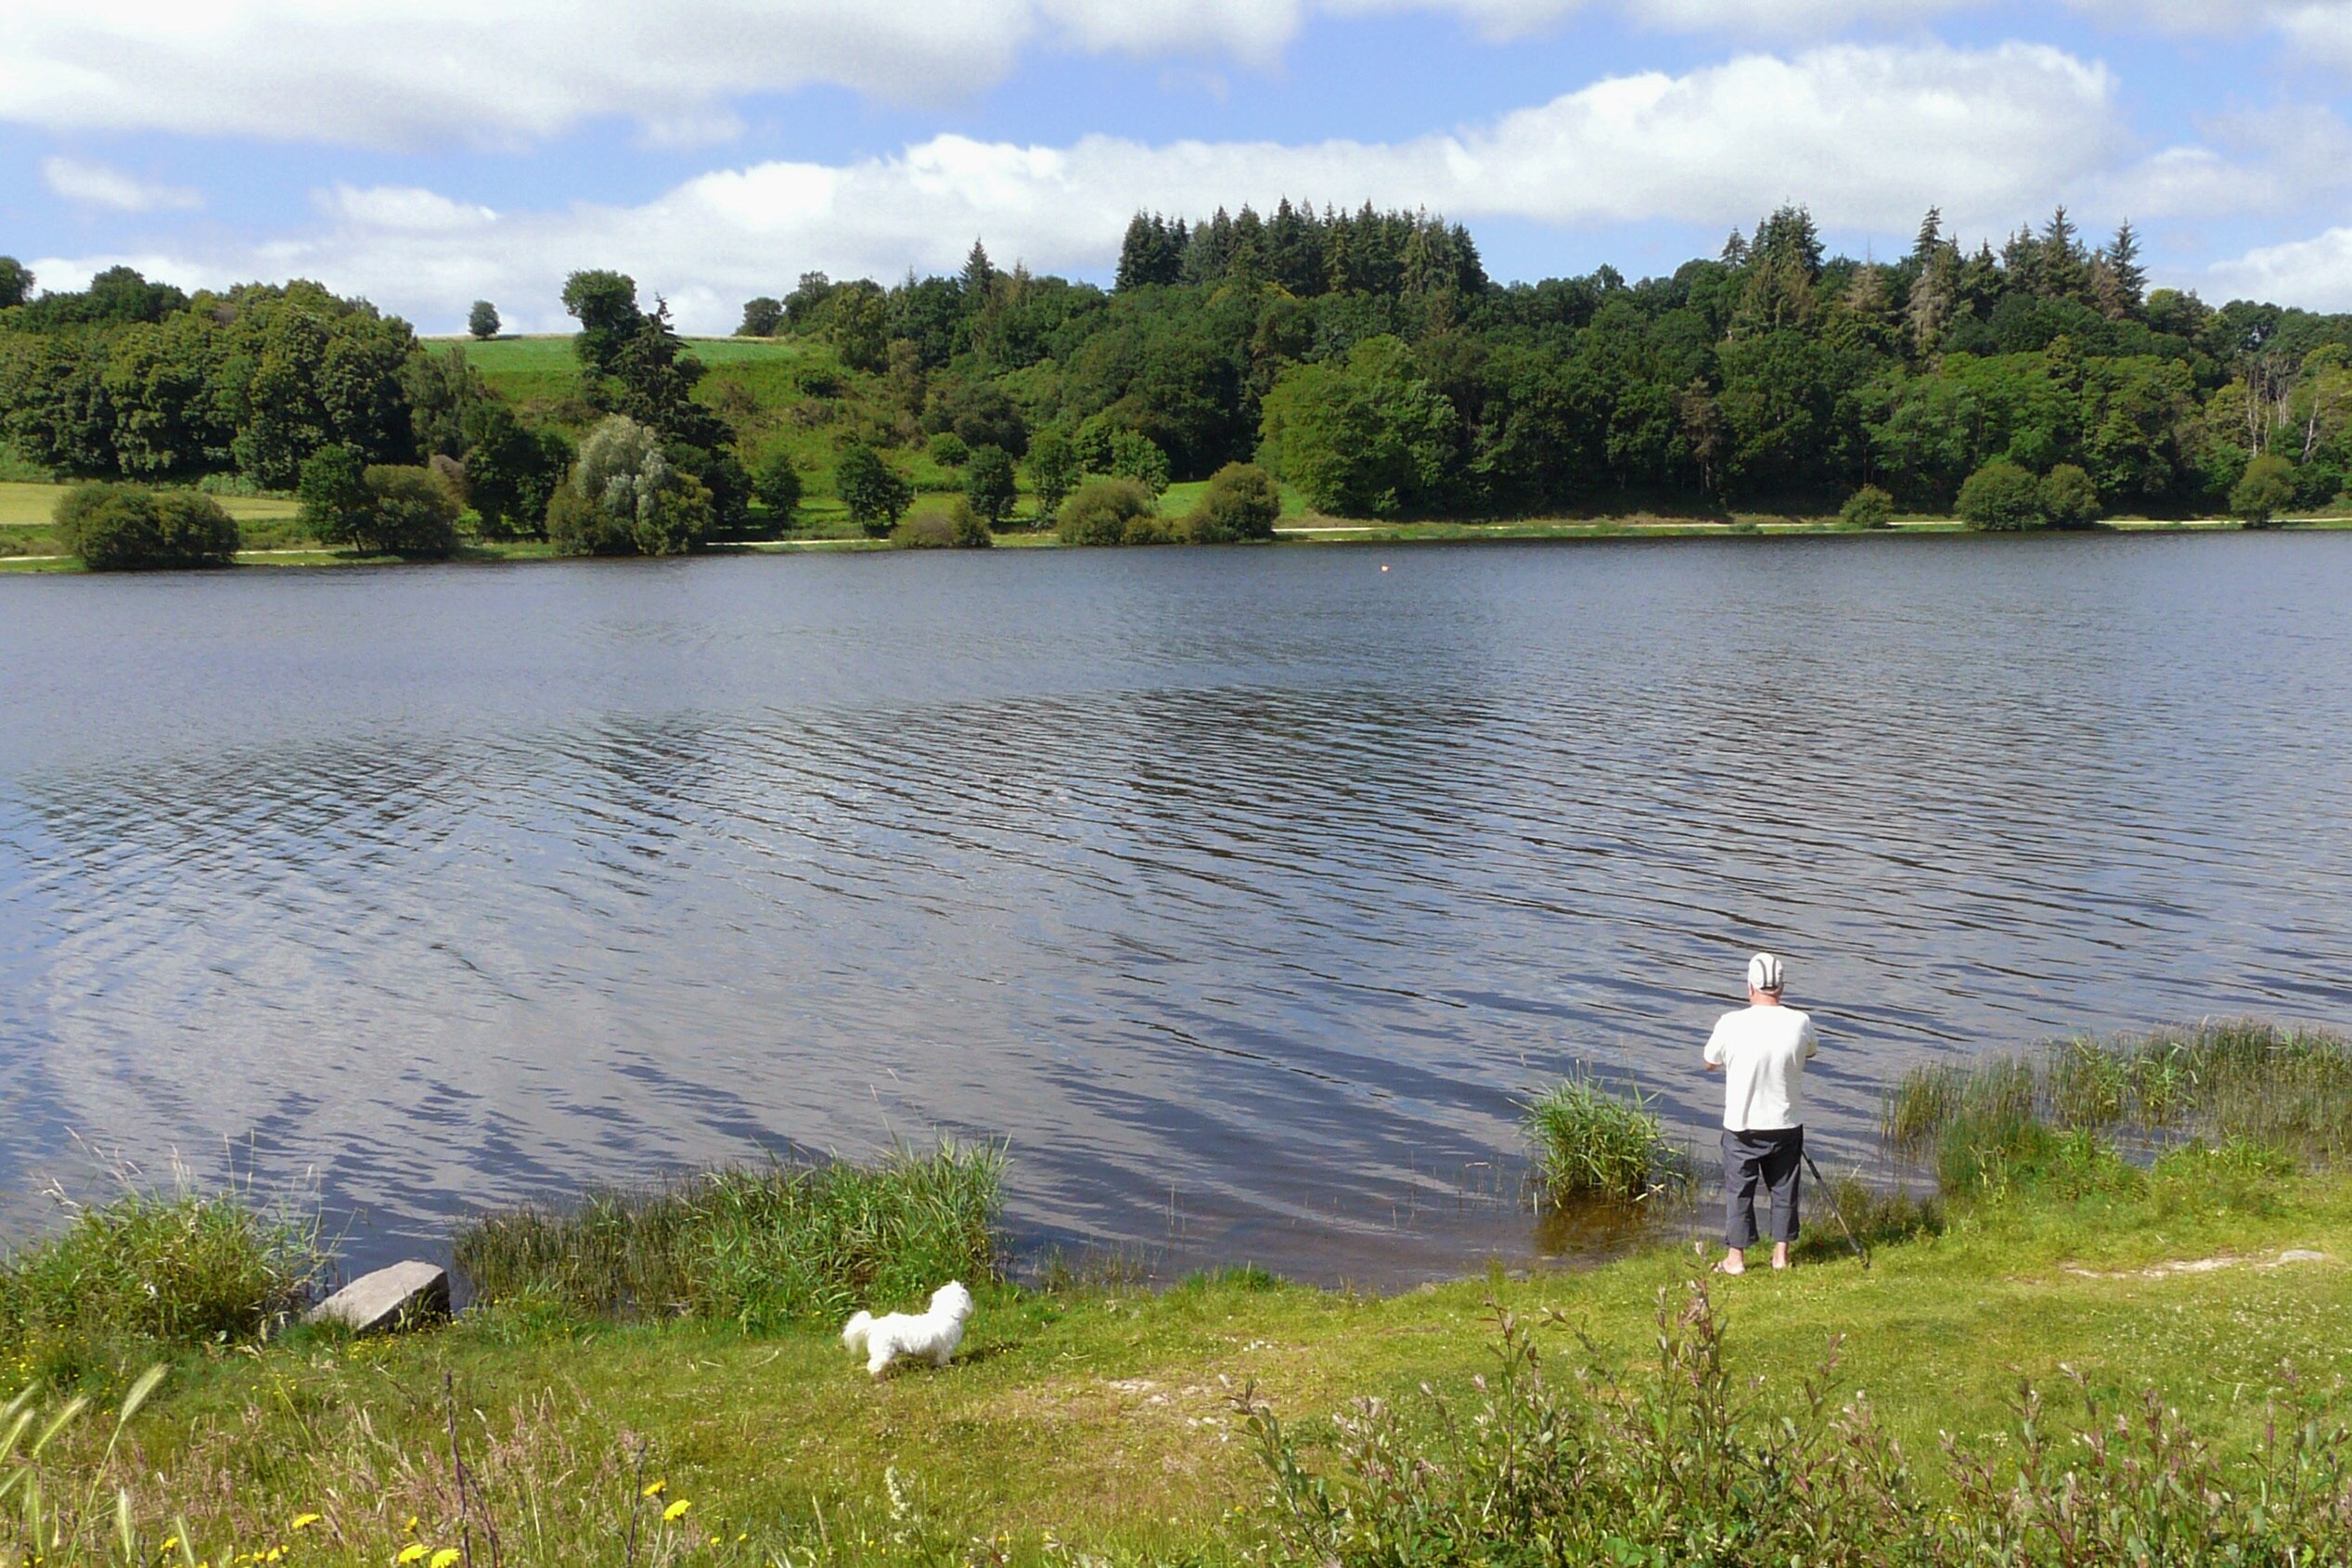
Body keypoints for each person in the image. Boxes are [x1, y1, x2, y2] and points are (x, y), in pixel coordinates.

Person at [1702, 952, 1819, 1274]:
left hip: (1742, 1126)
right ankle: (1780, 1257)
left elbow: (1709, 1061)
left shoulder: (1730, 1022)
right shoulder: (1800, 1022)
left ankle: (1735, 1260)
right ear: (1781, 987)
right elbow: (1810, 1050)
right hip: (1785, 1124)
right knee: (1784, 1189)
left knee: (1740, 1191)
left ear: (1750, 986)